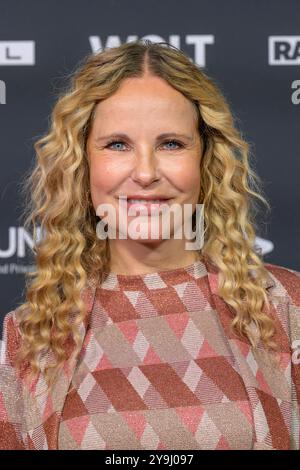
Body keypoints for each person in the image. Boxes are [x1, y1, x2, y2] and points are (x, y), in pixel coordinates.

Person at [0, 39, 299, 450]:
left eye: (171, 144)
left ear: (205, 161)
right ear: (82, 164)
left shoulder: (287, 308)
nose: (145, 172)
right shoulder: (29, 336)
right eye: (117, 144)